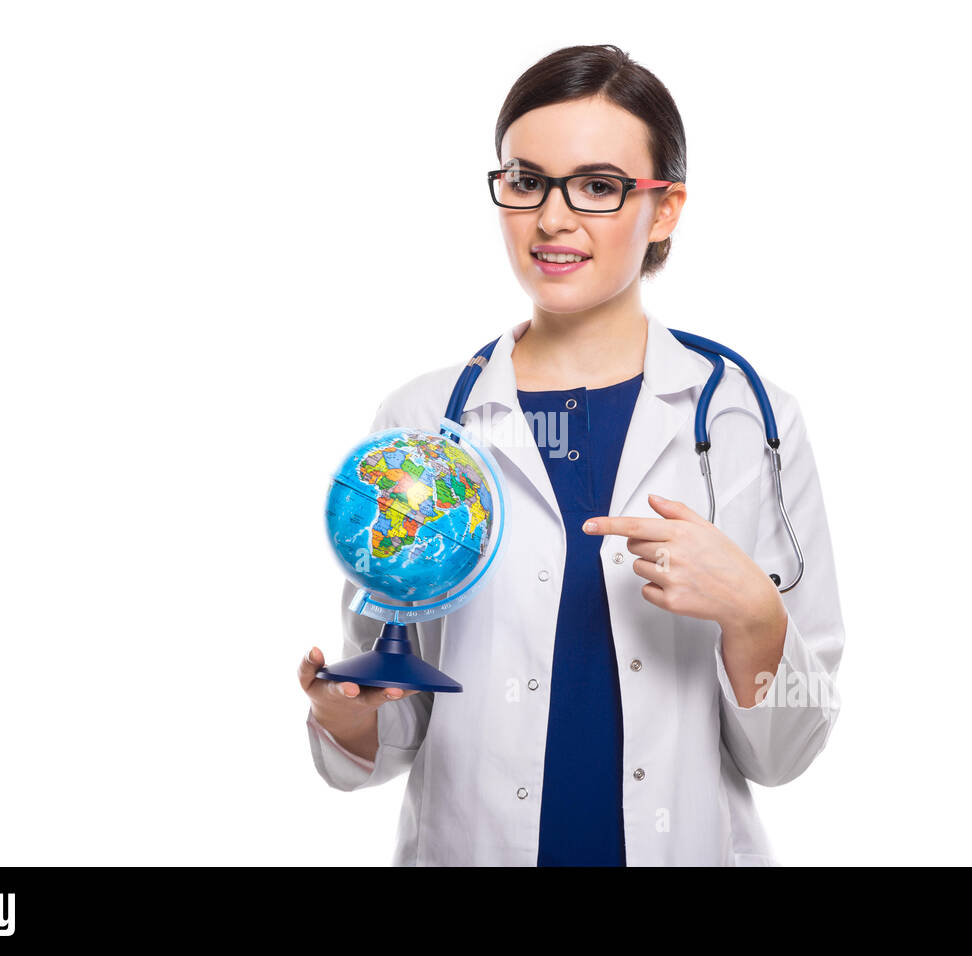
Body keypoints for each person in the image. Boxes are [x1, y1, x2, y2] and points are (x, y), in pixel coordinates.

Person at [300, 43, 845, 866]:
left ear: (664, 210)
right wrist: (346, 709)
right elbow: (397, 724)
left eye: (597, 187)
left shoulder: (742, 421)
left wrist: (755, 613)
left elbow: (786, 754)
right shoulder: (422, 421)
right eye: (526, 181)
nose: (552, 218)